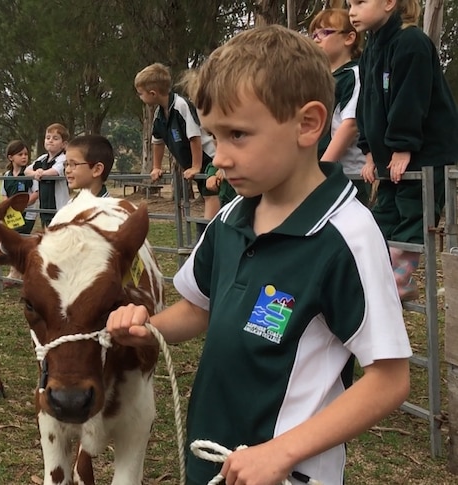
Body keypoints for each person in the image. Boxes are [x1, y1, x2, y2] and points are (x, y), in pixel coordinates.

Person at [106, 25, 411, 485]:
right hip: (213, 457)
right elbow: (196, 308)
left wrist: (281, 453)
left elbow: (390, 379)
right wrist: (148, 330)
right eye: (213, 136)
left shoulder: (347, 235)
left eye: (238, 135)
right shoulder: (230, 219)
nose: (219, 158)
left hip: (287, 471)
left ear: (307, 124)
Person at [350, 0, 458, 301]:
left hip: (425, 153)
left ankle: (402, 278)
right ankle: (379, 277)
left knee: (414, 213)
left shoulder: (411, 42)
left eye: (360, 2)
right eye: (349, 4)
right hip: (392, 156)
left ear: (388, 3)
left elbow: (411, 97)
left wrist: (402, 146)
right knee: (383, 215)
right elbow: (367, 103)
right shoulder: (372, 48)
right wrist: (369, 150)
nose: (351, 11)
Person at [134, 63, 219, 234]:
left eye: (140, 93)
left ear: (153, 93)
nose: (140, 97)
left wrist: (195, 166)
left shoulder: (181, 105)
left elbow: (194, 137)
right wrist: (156, 167)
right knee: (208, 196)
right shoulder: (159, 113)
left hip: (209, 158)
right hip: (195, 162)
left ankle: (210, 236)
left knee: (212, 195)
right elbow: (157, 141)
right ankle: (209, 236)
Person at [310, 8, 370, 204]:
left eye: (324, 32)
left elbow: (350, 124)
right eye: (314, 34)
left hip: (347, 175)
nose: (316, 39)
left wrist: (322, 168)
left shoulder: (355, 74)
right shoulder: (320, 80)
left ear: (349, 38)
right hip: (319, 172)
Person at [0, 140, 40, 287]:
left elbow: (36, 193)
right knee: (14, 241)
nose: (24, 157)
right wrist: (8, 207)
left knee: (18, 240)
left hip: (27, 214)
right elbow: (4, 194)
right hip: (12, 215)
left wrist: (23, 205)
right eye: (20, 154)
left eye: (26, 154)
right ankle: (19, 273)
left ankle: (14, 274)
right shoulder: (7, 175)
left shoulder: (30, 174)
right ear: (11, 157)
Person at [25, 123, 70, 229]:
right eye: (48, 137)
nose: (50, 140)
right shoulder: (42, 158)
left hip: (59, 207)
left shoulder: (63, 158)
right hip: (44, 207)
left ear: (64, 144)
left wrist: (41, 173)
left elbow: (55, 171)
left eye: (55, 138)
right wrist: (36, 173)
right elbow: (27, 170)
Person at [64, 134, 114, 198]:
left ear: (97, 170)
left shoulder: (106, 207)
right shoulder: (72, 204)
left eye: (74, 164)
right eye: (66, 164)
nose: (67, 170)